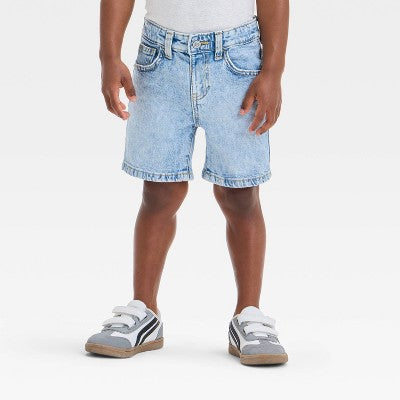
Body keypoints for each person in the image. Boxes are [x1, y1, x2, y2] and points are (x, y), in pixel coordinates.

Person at [86, 0, 289, 365]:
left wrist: (273, 71)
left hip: (237, 64)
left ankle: (249, 314)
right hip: (160, 60)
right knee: (159, 190)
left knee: (240, 193)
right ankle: (145, 310)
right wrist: (109, 56)